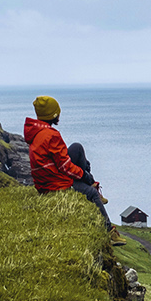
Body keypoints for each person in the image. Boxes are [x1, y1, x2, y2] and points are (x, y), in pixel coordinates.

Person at [23, 95, 125, 246]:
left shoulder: (38, 132)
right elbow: (65, 167)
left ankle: (92, 184)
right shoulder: (51, 135)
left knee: (77, 148)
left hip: (46, 179)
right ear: (54, 115)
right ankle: (109, 231)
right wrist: (85, 175)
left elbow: (60, 161)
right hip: (54, 184)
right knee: (90, 193)